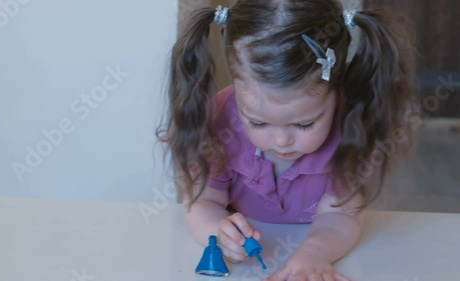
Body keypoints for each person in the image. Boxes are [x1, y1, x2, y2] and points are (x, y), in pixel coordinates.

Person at [158, 0, 416, 280]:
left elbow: (340, 216)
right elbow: (203, 202)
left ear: (335, 88)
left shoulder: (354, 131)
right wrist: (218, 231)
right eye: (257, 122)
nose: (281, 141)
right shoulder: (216, 121)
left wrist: (313, 254)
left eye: (305, 124)